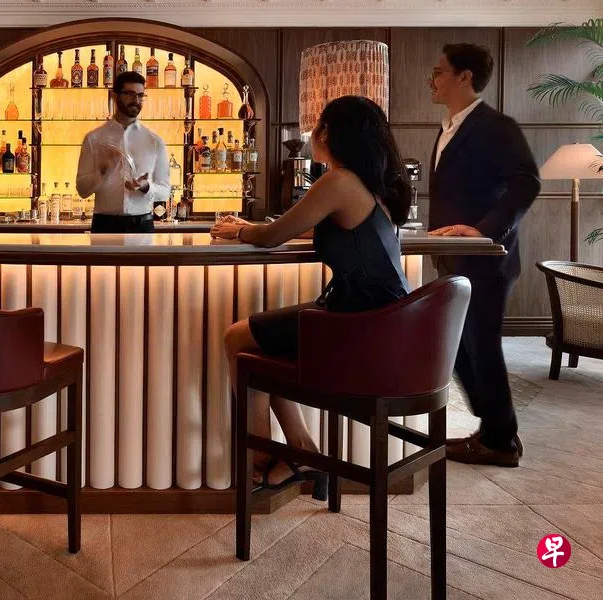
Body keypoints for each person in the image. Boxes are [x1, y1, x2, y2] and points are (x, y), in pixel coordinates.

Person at [212, 96, 412, 491]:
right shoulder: (370, 185)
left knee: (237, 338)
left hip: (360, 323)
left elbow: (272, 236)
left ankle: (265, 459)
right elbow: (309, 225)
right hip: (384, 319)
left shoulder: (338, 181)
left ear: (329, 133)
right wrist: (253, 227)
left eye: (318, 125)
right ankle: (301, 452)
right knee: (262, 350)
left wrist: (241, 230)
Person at [427, 43, 539, 467]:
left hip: (486, 258)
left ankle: (500, 440)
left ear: (465, 77)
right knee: (457, 346)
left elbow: (527, 182)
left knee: (482, 345)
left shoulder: (496, 126)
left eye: (439, 72)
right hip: (453, 257)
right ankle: (496, 427)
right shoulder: (449, 127)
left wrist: (485, 231)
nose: (432, 80)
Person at [76, 71, 171, 233]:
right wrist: (101, 172)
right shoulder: (94, 139)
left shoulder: (155, 141)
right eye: (130, 94)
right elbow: (82, 190)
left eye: (140, 95)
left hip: (142, 226)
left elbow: (165, 191)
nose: (136, 101)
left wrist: (145, 186)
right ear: (114, 96)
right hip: (105, 225)